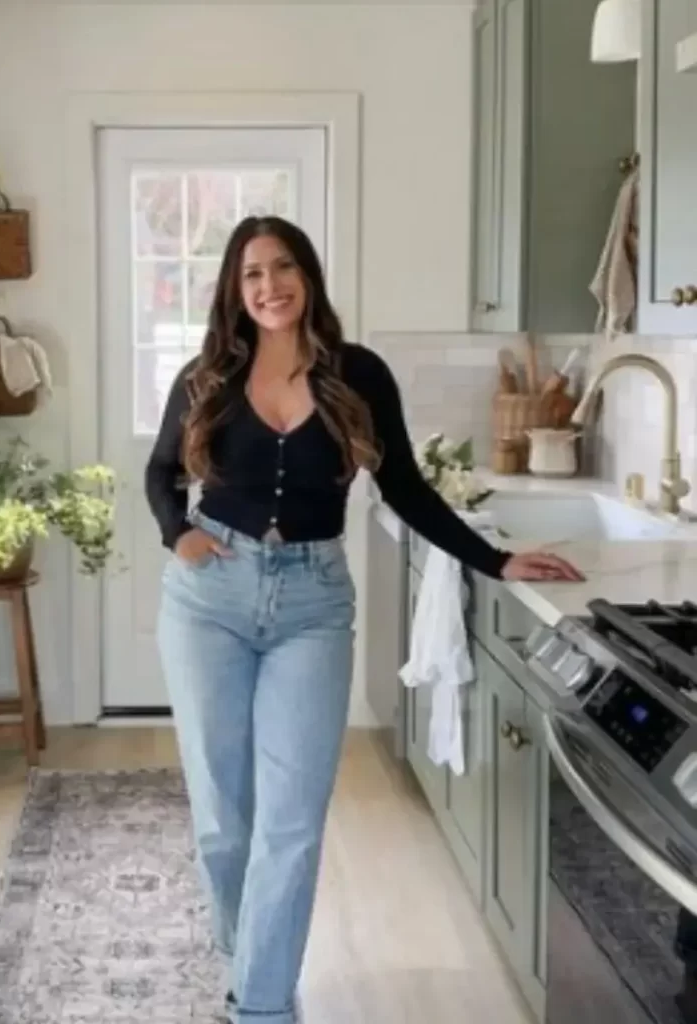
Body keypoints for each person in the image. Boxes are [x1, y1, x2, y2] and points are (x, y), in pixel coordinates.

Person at [144, 214, 582, 1024]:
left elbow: (406, 487)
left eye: (282, 268)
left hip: (313, 605)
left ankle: (260, 1004)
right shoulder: (206, 374)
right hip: (210, 603)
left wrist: (497, 560)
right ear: (234, 291)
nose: (269, 286)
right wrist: (180, 535)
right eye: (251, 275)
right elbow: (161, 473)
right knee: (222, 818)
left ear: (307, 274)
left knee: (293, 818)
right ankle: (248, 957)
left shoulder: (359, 375)